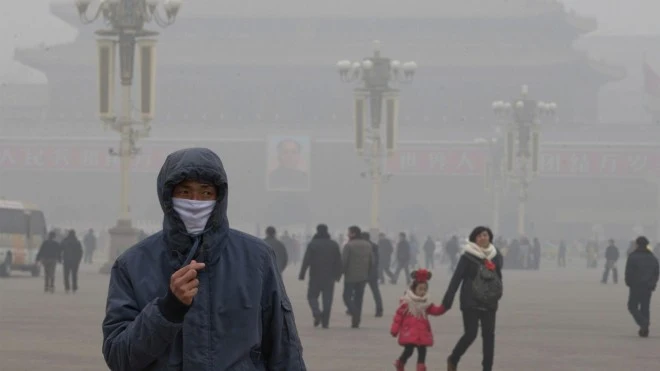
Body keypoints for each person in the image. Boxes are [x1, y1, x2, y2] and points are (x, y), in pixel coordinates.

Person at [102, 148, 306, 370]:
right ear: (167, 196)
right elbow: (119, 358)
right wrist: (167, 310)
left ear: (220, 197)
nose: (195, 201)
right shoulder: (132, 265)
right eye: (185, 192)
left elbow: (284, 349)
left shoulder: (257, 259)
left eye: (206, 193)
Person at [442, 226, 503, 371]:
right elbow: (456, 279)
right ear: (474, 239)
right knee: (471, 333)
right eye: (479, 236)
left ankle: (487, 368)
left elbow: (498, 279)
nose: (483, 237)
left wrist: (497, 295)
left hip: (489, 301)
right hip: (470, 300)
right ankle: (454, 358)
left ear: (490, 238)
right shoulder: (467, 256)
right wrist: (447, 301)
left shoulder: (496, 256)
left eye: (485, 235)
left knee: (489, 336)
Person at [391, 269, 446, 371]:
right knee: (409, 350)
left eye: (425, 289)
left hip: (422, 332)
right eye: (420, 289)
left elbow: (435, 311)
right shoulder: (406, 302)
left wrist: (444, 307)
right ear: (414, 289)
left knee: (422, 350)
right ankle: (400, 362)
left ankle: (421, 367)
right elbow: (398, 317)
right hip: (409, 331)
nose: (422, 292)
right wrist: (394, 329)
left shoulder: (426, 303)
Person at [299, 224, 342, 329]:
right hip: (330, 277)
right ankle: (325, 322)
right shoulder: (333, 244)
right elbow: (339, 262)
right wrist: (338, 275)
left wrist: (302, 274)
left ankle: (316, 312)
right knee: (327, 299)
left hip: (315, 275)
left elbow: (306, 260)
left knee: (312, 296)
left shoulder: (313, 244)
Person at [625, 236, 659, 338]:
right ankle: (645, 330)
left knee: (632, 306)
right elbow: (656, 272)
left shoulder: (633, 256)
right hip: (648, 286)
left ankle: (643, 322)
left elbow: (629, 272)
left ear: (637, 244)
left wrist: (629, 282)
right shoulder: (652, 257)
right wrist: (653, 283)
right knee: (645, 307)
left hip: (636, 286)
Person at [342, 225, 373, 328]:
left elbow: (344, 262)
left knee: (346, 297)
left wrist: (339, 273)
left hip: (350, 277)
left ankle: (354, 312)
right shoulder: (368, 245)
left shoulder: (349, 245)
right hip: (363, 277)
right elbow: (372, 261)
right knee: (359, 299)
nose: (347, 234)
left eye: (349, 232)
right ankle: (356, 320)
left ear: (353, 233)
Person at [362, 231, 383, 317]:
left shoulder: (362, 246)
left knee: (358, 292)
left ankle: (352, 309)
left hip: (363, 272)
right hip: (373, 272)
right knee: (376, 292)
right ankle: (379, 309)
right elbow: (377, 260)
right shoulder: (374, 246)